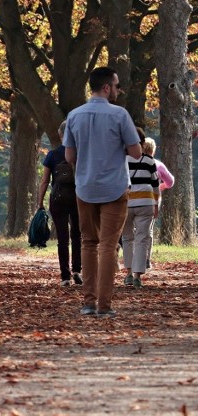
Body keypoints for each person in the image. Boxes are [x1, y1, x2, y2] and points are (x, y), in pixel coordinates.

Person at [63, 66, 142, 318]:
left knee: (88, 242)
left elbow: (69, 156)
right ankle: (104, 305)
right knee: (108, 245)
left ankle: (88, 302)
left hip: (84, 187)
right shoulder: (120, 115)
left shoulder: (74, 116)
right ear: (107, 87)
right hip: (114, 187)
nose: (119, 90)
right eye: (117, 86)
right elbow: (137, 152)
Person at [37, 121, 82, 287]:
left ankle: (65, 276)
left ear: (61, 134)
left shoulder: (52, 155)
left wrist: (40, 202)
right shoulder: (80, 153)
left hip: (58, 198)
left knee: (62, 238)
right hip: (78, 197)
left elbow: (44, 181)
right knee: (77, 235)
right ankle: (77, 269)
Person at [122, 137, 159, 289]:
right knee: (142, 239)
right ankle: (138, 276)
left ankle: (129, 273)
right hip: (146, 202)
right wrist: (156, 204)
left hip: (126, 203)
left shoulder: (123, 160)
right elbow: (155, 185)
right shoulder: (150, 161)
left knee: (127, 238)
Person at [142, 137, 174, 269]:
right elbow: (170, 181)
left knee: (134, 230)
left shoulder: (133, 163)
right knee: (148, 229)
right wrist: (161, 187)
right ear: (153, 150)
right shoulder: (158, 165)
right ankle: (146, 259)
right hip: (153, 199)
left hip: (134, 199)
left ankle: (134, 258)